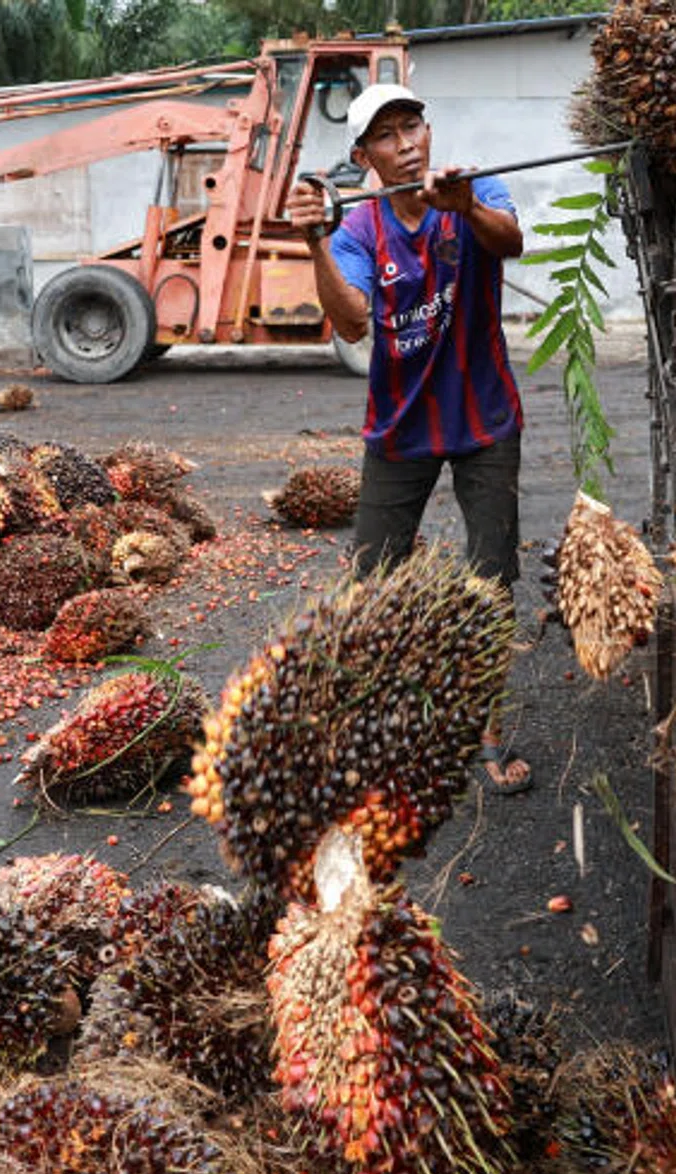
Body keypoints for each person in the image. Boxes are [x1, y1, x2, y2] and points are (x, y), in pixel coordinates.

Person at [285, 82, 533, 795]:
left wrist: (468, 210)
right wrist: (312, 241)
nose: (409, 143)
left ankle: (483, 731)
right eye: (389, 136)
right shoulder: (360, 228)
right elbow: (352, 321)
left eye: (414, 125)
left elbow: (510, 242)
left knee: (490, 582)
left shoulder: (472, 185)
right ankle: (375, 728)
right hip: (401, 425)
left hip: (485, 420)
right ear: (364, 156)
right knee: (371, 587)